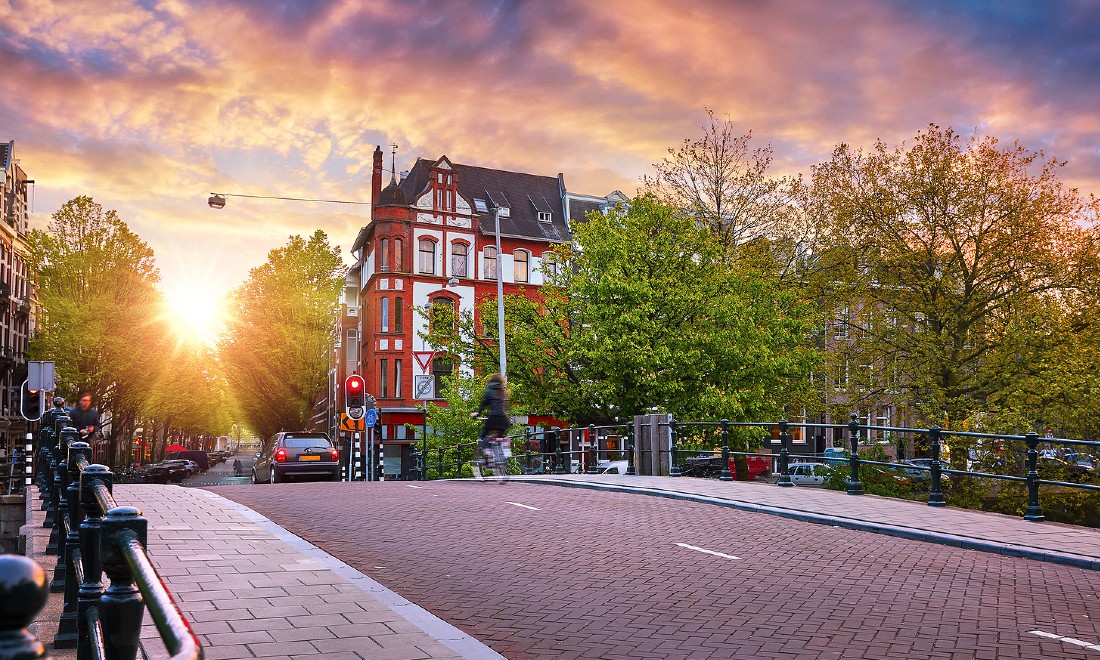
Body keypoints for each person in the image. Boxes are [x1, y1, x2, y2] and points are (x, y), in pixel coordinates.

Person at [472, 374, 510, 471]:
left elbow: (483, 405)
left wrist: (477, 414)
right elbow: (505, 407)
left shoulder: (489, 391)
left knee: (483, 436)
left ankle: (489, 454)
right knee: (499, 437)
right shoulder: (503, 392)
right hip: (504, 420)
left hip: (493, 418)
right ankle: (503, 456)